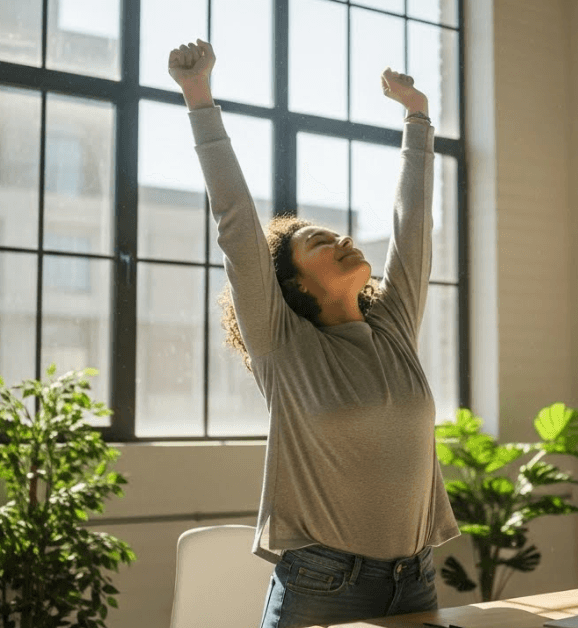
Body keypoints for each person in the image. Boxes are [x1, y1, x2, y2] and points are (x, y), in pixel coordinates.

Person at [167, 39, 460, 628]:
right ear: (295, 288)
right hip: (325, 584)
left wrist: (418, 117)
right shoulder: (284, 346)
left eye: (339, 235)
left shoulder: (393, 327)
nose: (344, 241)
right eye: (320, 244)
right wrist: (199, 99)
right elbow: (237, 228)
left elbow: (414, 228)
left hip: (415, 578)